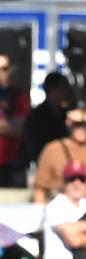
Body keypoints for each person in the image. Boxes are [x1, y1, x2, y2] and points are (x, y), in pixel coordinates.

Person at [20, 72, 73, 169]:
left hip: (64, 165)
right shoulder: (36, 116)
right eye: (64, 87)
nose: (67, 91)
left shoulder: (67, 115)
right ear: (52, 89)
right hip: (43, 166)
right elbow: (34, 146)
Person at [0, 53, 30, 187]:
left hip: (11, 165)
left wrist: (9, 126)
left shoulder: (18, 96)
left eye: (4, 68)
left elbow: (18, 128)